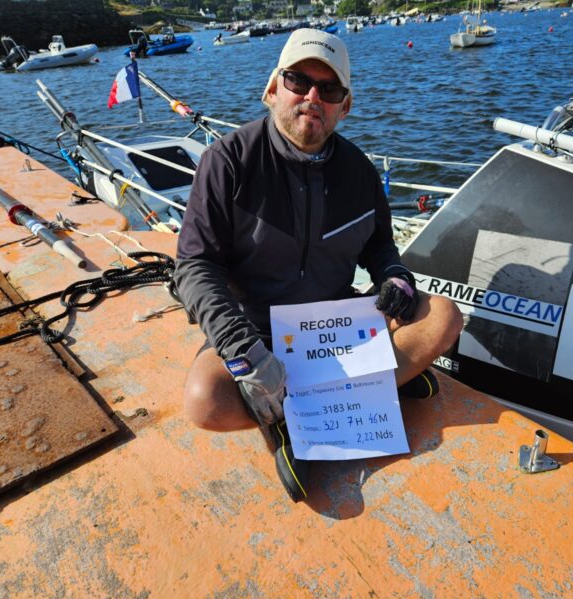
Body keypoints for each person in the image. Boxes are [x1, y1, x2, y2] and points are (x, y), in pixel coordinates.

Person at [174, 28, 463, 503]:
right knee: (205, 401)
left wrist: (396, 278)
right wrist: (241, 350)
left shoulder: (360, 171)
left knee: (445, 317)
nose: (312, 97)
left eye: (328, 89)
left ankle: (302, 410)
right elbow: (194, 265)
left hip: (336, 327)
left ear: (344, 107)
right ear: (272, 90)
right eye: (297, 81)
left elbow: (380, 249)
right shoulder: (227, 161)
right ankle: (355, 394)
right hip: (258, 333)